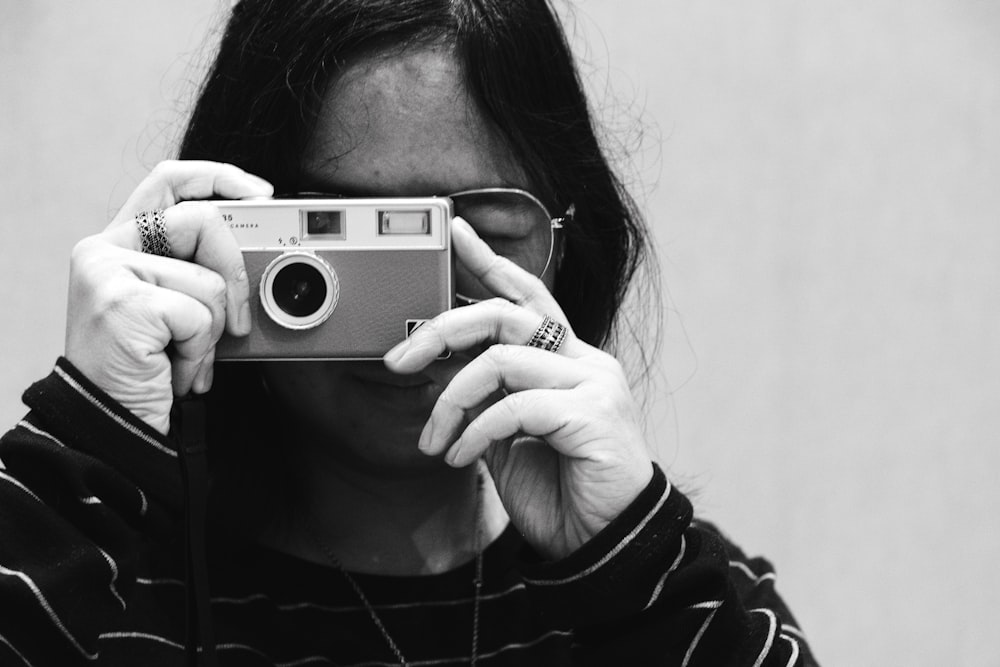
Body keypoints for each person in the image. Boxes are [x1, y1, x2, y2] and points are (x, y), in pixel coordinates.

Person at [0, 1, 819, 665]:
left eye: (481, 239)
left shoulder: (676, 594)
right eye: (335, 248)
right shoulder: (93, 584)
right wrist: (87, 442)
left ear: (572, 246)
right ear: (219, 231)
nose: (415, 323)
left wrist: (635, 572)